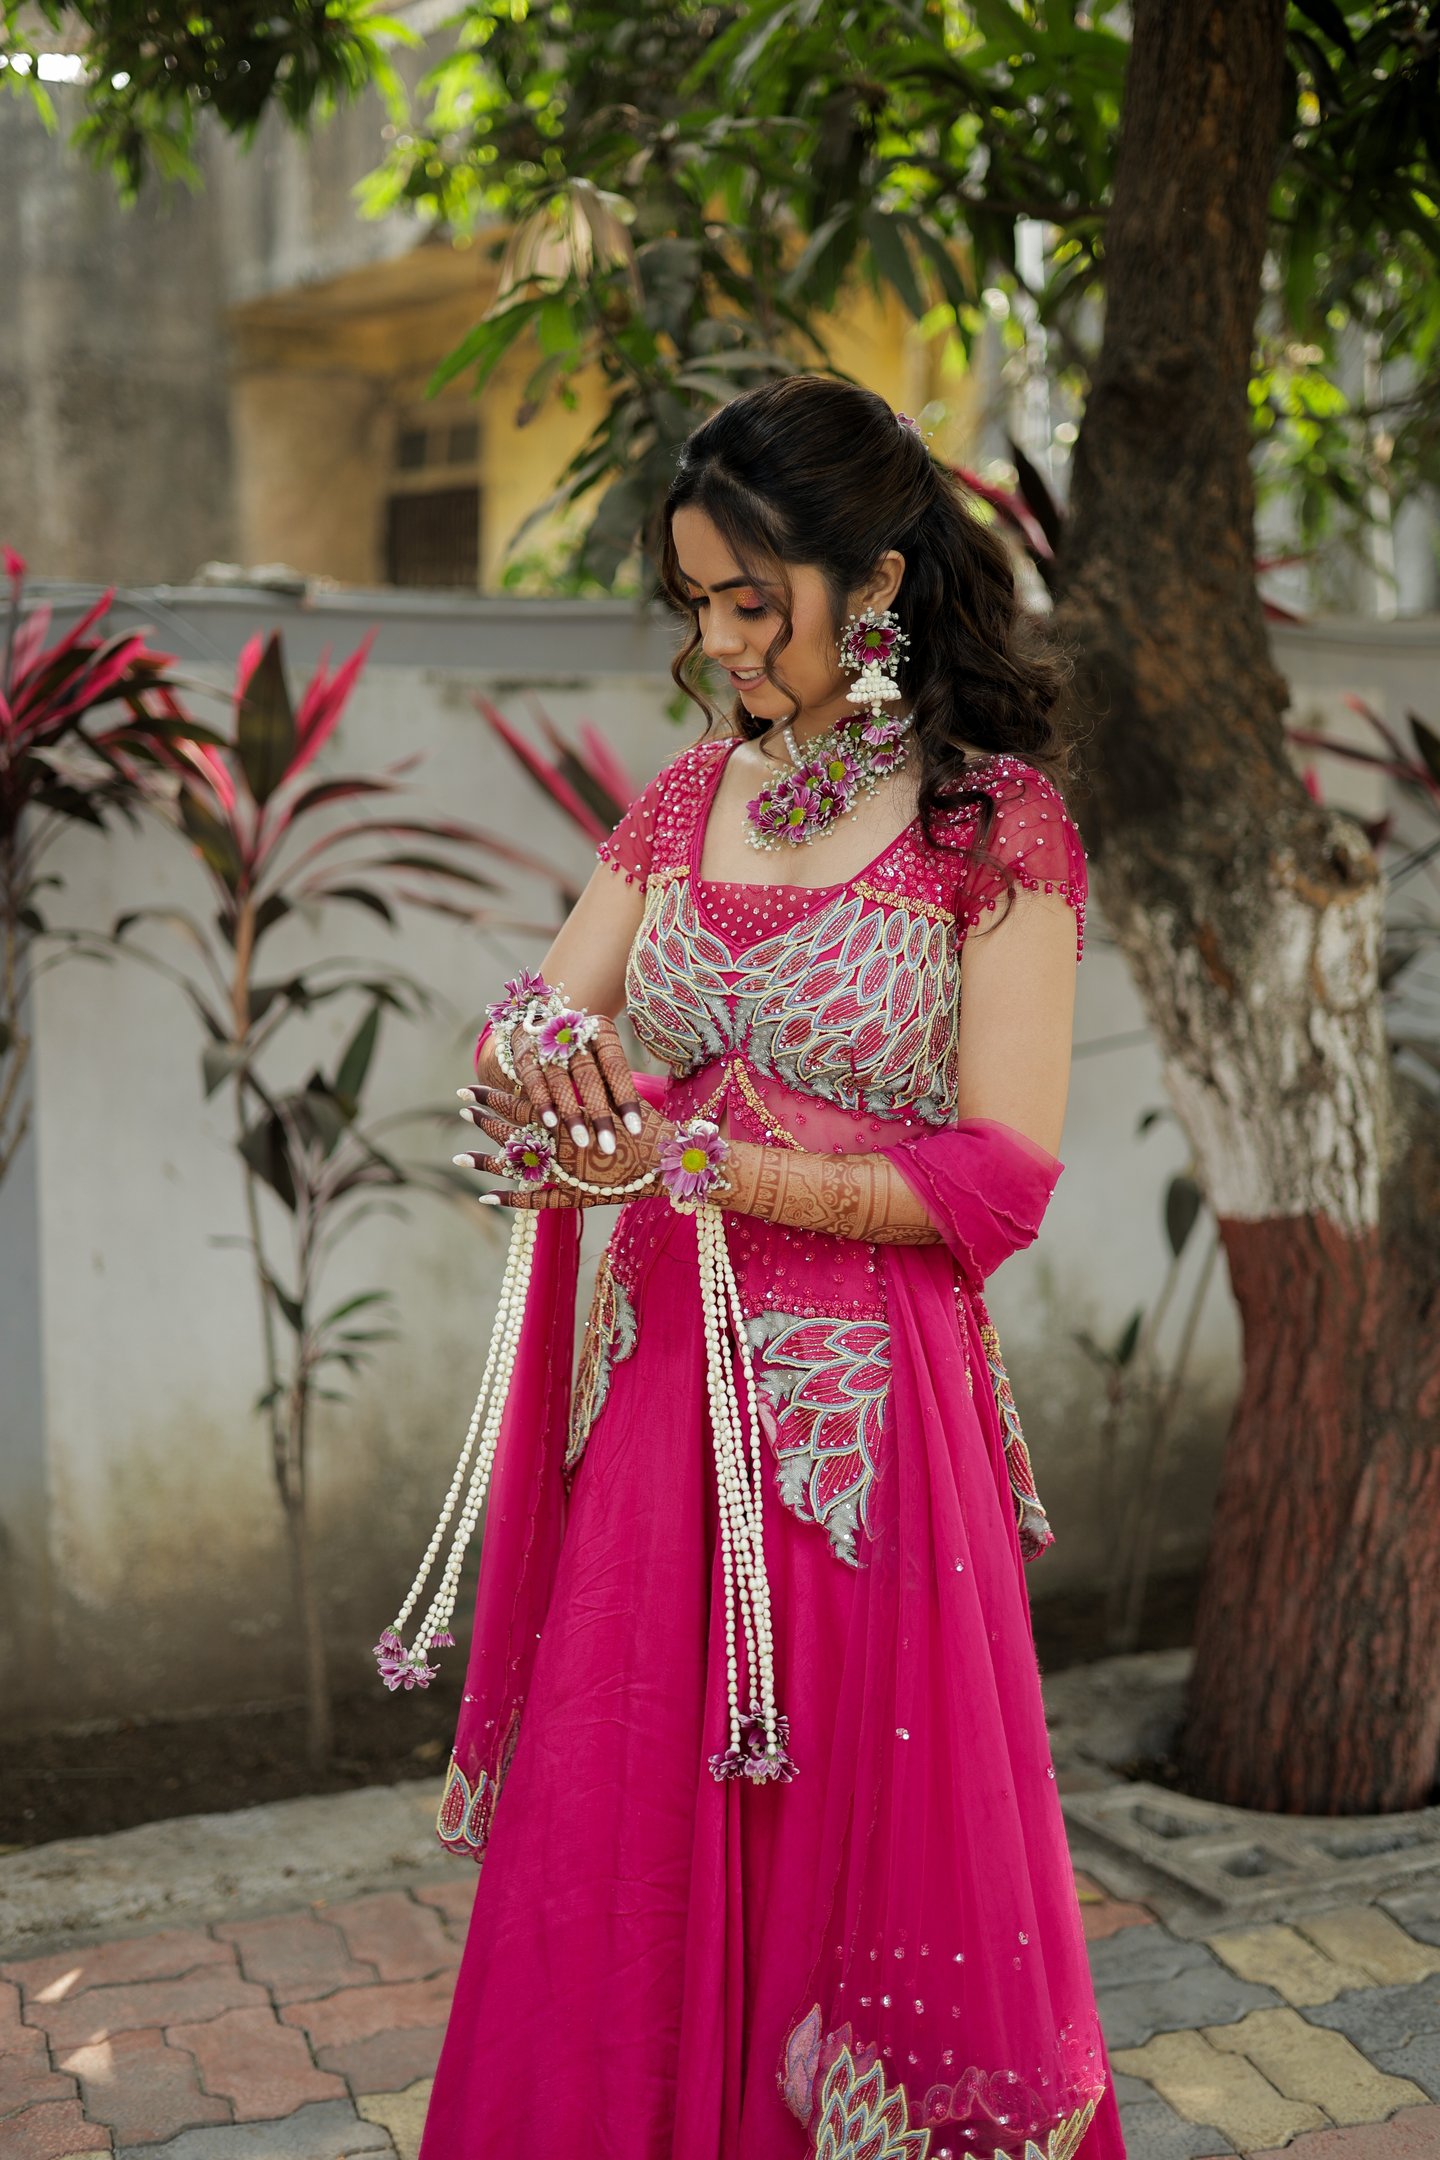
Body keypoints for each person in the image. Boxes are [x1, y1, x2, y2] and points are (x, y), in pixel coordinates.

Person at [408, 375, 1126, 2157]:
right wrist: (535, 1078)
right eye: (699, 606)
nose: (723, 643)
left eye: (755, 602)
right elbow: (537, 1014)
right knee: (624, 1858)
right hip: (652, 1427)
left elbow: (1003, 1180)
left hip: (862, 1441)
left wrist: (703, 1158)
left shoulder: (995, 827)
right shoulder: (679, 806)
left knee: (852, 1874)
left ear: (870, 585)